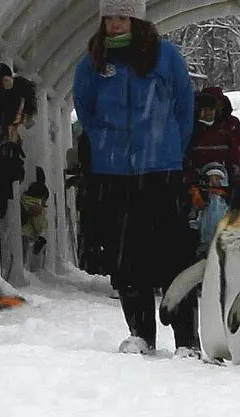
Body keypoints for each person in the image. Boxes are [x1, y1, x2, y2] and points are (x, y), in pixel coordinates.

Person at [72, 0, 197, 355]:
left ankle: (187, 339)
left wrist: (169, 145)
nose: (114, 24)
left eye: (122, 17)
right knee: (127, 256)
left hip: (161, 169)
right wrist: (105, 144)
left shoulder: (165, 57)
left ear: (137, 20)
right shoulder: (92, 61)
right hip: (114, 173)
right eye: (109, 18)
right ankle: (140, 332)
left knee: (174, 255)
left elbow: (184, 105)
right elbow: (86, 109)